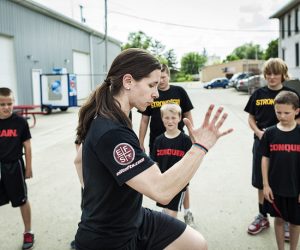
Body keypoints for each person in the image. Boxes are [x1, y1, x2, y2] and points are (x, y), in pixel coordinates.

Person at [74, 48, 233, 250]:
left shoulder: (118, 113)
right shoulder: (111, 131)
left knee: (195, 243)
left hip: (133, 217)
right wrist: (200, 147)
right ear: (128, 81)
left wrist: (97, 194)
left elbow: (79, 160)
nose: (156, 94)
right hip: (108, 237)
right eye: (151, 85)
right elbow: (162, 190)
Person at [244, 58, 300, 236]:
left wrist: (287, 132)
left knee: (286, 180)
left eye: (276, 73)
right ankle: (262, 216)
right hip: (262, 143)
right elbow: (251, 118)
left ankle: (284, 218)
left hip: (286, 146)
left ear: (283, 74)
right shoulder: (258, 94)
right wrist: (259, 133)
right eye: (268, 73)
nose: (271, 77)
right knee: (262, 181)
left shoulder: (291, 94)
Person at [138, 63, 195, 225]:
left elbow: (188, 114)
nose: (161, 81)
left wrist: (193, 136)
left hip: (178, 142)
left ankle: (187, 211)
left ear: (169, 76)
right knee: (161, 177)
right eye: (158, 78)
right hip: (158, 143)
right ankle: (167, 208)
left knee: (182, 180)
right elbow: (144, 120)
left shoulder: (179, 92)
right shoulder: (152, 94)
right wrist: (140, 142)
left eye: (163, 77)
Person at [261, 91, 300, 250]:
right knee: (278, 220)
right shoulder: (269, 133)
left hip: (296, 189)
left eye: (287, 113)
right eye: (278, 112)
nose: (282, 116)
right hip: (275, 188)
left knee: (296, 223)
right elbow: (265, 158)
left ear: (297, 111)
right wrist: (265, 185)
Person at [0, 87, 34, 250]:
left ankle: (28, 231)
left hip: (15, 166)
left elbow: (27, 146)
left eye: (9, 103)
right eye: (1, 104)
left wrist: (29, 168)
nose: (6, 107)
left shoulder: (20, 122)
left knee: (22, 199)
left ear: (13, 102)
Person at [151, 103, 192, 218]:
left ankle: (184, 217)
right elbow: (155, 162)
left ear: (179, 118)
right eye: (167, 117)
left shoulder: (185, 140)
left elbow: (190, 163)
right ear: (162, 118)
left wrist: (185, 179)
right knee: (166, 211)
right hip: (164, 182)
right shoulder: (158, 140)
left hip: (179, 183)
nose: (170, 121)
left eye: (173, 118)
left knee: (171, 216)